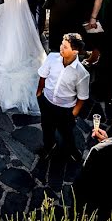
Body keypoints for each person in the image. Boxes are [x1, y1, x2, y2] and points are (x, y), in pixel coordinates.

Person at [36, 33, 91, 163]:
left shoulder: (82, 73)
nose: (61, 48)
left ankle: (71, 150)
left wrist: (73, 114)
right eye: (62, 44)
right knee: (47, 127)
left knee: (66, 132)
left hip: (65, 109)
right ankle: (48, 147)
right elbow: (43, 75)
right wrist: (39, 93)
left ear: (75, 51)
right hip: (47, 102)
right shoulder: (52, 58)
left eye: (65, 47)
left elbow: (82, 97)